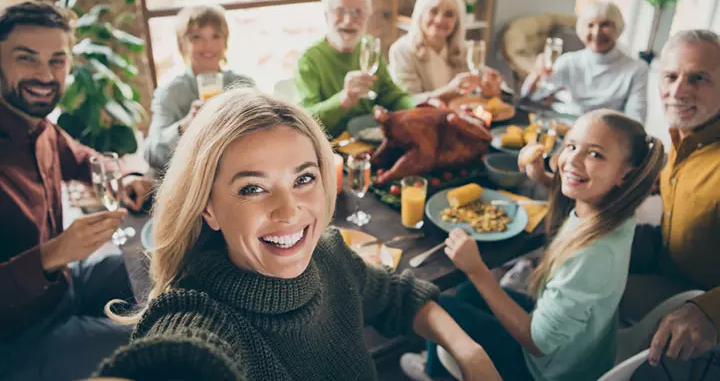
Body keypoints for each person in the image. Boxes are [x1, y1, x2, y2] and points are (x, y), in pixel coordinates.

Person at [95, 89, 501, 380]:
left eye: (304, 178)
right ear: (208, 207)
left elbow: (397, 296)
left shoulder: (329, 255)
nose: (289, 210)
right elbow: (175, 361)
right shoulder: (199, 317)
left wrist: (470, 352)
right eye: (252, 188)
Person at [401, 109, 665, 381]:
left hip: (545, 370)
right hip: (584, 351)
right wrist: (545, 178)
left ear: (625, 174)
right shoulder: (618, 211)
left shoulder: (592, 256)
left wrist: (476, 269)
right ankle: (438, 361)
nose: (572, 159)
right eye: (571, 145)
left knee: (439, 305)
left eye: (595, 154)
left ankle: (435, 373)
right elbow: (582, 196)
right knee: (468, 293)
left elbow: (536, 343)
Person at [0, 1, 154, 381]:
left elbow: (85, 158)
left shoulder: (40, 127)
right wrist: (51, 255)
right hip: (18, 338)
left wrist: (124, 176)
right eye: (26, 58)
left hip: (66, 286)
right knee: (164, 338)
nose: (45, 74)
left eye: (57, 60)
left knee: (162, 263)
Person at [621, 29, 720, 366]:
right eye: (671, 76)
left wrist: (709, 312)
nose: (678, 91)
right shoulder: (686, 136)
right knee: (574, 250)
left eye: (698, 78)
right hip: (665, 253)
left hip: (699, 292)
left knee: (590, 296)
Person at [295, 0, 415, 137]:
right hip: (332, 145)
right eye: (340, 11)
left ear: (367, 18)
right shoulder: (309, 60)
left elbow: (390, 94)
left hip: (371, 136)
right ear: (326, 16)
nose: (348, 21)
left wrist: (417, 108)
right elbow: (305, 120)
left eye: (357, 12)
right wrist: (343, 100)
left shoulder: (369, 47)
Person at [143, 4, 254, 173]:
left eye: (216, 36)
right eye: (196, 37)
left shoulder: (244, 86)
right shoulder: (171, 93)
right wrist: (184, 127)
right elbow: (152, 156)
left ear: (225, 42)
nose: (208, 45)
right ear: (183, 44)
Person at [520, 1, 649, 123]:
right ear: (581, 30)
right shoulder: (569, 61)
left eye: (605, 25)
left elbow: (636, 120)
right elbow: (532, 96)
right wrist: (537, 74)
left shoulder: (637, 69)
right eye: (590, 25)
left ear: (618, 28)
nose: (597, 32)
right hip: (566, 126)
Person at [389, 0, 503, 102]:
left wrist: (491, 88)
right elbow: (407, 101)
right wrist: (448, 91)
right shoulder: (402, 50)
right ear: (420, 14)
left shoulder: (466, 50)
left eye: (449, 14)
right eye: (433, 11)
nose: (439, 20)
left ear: (457, 22)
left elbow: (485, 89)